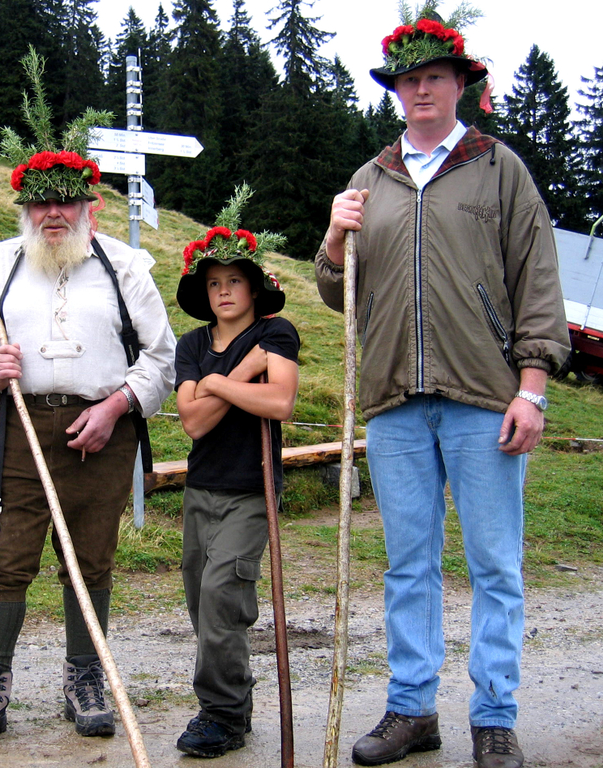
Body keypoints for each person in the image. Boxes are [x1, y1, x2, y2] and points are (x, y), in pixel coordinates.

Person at [315, 5, 569, 767]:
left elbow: (537, 282)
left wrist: (531, 389)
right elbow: (335, 292)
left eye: (433, 77)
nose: (419, 90)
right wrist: (333, 238)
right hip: (392, 402)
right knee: (406, 566)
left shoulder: (500, 169)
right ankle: (411, 710)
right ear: (395, 92)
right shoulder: (369, 180)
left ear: (461, 84)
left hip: (483, 399)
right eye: (407, 81)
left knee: (494, 564)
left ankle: (493, 717)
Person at [0, 48, 175, 750]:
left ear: (88, 206)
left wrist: (115, 407)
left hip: (104, 433)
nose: (51, 213)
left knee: (90, 558)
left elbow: (161, 358)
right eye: (39, 202)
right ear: (25, 208)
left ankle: (85, 679)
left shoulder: (126, 267)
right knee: (4, 556)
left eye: (64, 201)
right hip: (16, 430)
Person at [173, 186, 300, 758]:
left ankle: (220, 714)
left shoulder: (275, 333)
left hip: (252, 490)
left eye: (233, 281)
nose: (223, 291)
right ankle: (235, 701)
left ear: (254, 288)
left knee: (223, 593)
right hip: (200, 490)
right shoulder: (191, 344)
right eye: (213, 283)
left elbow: (280, 403)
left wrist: (218, 383)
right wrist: (244, 374)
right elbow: (193, 422)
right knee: (202, 603)